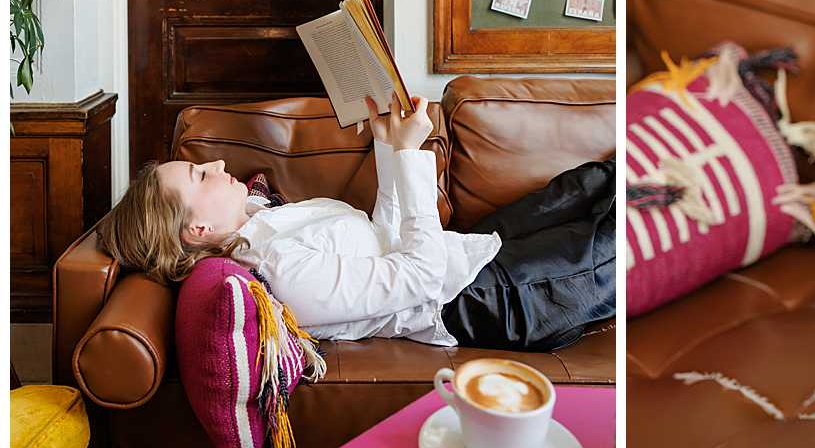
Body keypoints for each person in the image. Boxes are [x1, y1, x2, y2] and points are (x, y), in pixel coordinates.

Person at [96, 94, 615, 353]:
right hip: (478, 298)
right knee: (623, 233)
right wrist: (409, 154)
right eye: (198, 175)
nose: (214, 163)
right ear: (197, 230)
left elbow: (381, 236)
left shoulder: (261, 218)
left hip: (458, 253)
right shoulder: (280, 274)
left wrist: (388, 143)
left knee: (587, 183)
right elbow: (420, 277)